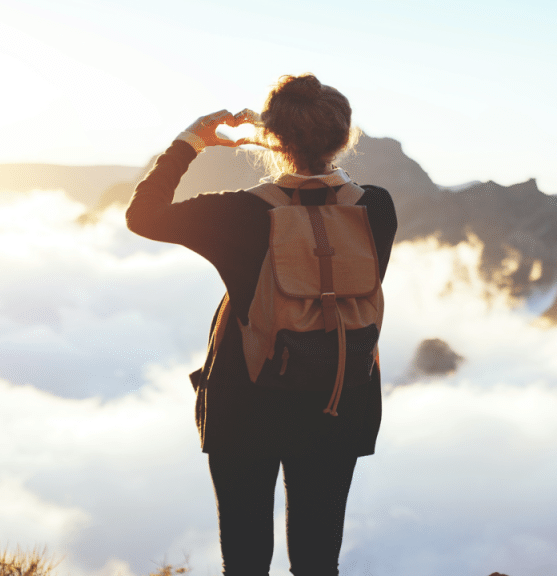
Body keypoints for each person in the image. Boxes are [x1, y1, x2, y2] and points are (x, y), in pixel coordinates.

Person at [127, 73, 397, 576]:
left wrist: (194, 141)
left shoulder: (241, 213)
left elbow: (143, 215)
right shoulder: (376, 208)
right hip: (339, 400)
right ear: (344, 137)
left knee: (246, 563)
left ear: (273, 137)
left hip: (247, 404)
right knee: (318, 563)